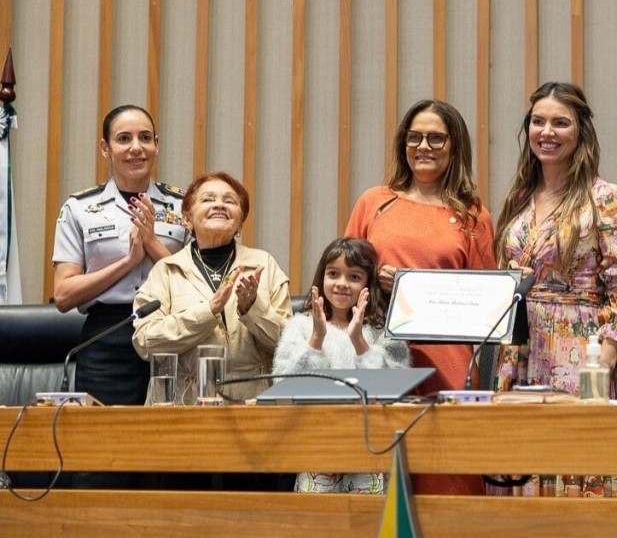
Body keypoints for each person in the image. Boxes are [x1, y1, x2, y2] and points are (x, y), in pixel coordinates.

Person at [345, 99, 495, 495]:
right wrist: (372, 279)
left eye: (436, 138)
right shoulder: (374, 201)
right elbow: (341, 278)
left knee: (450, 480)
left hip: (450, 362)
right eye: (415, 137)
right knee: (378, 477)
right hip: (377, 353)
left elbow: (486, 302)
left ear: (454, 145)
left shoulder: (473, 214)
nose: (424, 146)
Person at [52, 104, 188, 489]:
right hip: (108, 336)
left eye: (145, 138)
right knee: (100, 460)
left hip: (174, 335)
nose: (136, 147)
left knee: (167, 460)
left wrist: (152, 247)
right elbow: (64, 295)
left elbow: (198, 283)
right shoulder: (79, 208)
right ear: (105, 148)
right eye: (124, 138)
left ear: (157, 145)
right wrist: (128, 261)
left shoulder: (185, 205)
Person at [492, 81, 617, 398]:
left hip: (579, 349)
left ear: (580, 132)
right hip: (519, 345)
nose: (547, 132)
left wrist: (607, 356)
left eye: (560, 123)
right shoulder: (519, 198)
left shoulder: (605, 198)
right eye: (538, 121)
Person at [132, 171, 292, 406]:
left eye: (230, 201)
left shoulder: (264, 265)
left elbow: (289, 346)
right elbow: (146, 342)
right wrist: (208, 311)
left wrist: (252, 309)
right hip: (182, 408)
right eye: (207, 199)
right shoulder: (166, 270)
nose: (219, 204)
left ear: (240, 222)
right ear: (187, 219)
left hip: (253, 407)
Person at [273, 237, 411, 493]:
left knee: (367, 522)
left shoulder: (384, 330)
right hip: (317, 445)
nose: (342, 284)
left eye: (354, 277)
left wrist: (359, 340)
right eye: (333, 274)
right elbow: (283, 385)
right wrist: (316, 338)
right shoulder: (301, 326)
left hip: (371, 446)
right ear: (321, 278)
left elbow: (395, 389)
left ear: (368, 284)